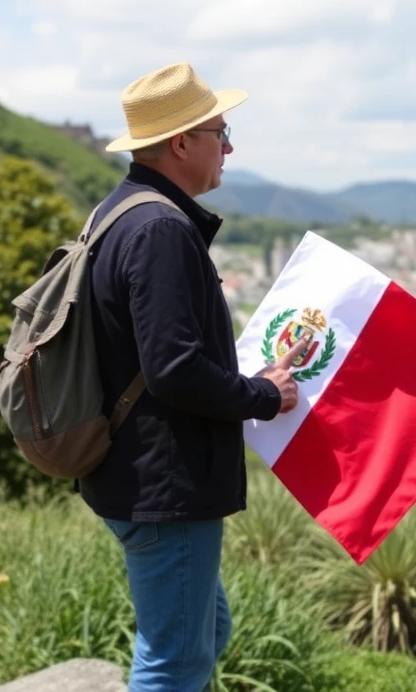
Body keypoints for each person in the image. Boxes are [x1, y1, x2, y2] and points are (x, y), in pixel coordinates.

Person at [83, 61, 306, 692]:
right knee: (174, 665)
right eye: (221, 131)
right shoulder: (159, 229)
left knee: (205, 635)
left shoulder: (122, 212)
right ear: (182, 143)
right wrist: (264, 394)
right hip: (165, 484)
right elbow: (175, 370)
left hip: (135, 473)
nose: (230, 147)